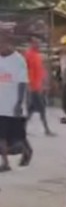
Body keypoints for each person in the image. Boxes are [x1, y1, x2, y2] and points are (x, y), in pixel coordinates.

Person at [0, 32, 33, 171]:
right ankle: (5, 163)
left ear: (9, 44)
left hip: (13, 106)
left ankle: (27, 151)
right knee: (1, 136)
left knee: (19, 136)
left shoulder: (18, 60)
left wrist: (19, 103)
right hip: (1, 105)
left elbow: (22, 82)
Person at [24, 37, 54, 137]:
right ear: (31, 44)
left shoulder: (37, 56)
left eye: (39, 43)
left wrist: (44, 83)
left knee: (31, 109)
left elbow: (40, 71)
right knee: (41, 108)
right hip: (33, 87)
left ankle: (21, 129)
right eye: (36, 43)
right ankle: (46, 129)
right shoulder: (29, 55)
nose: (38, 45)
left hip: (38, 86)